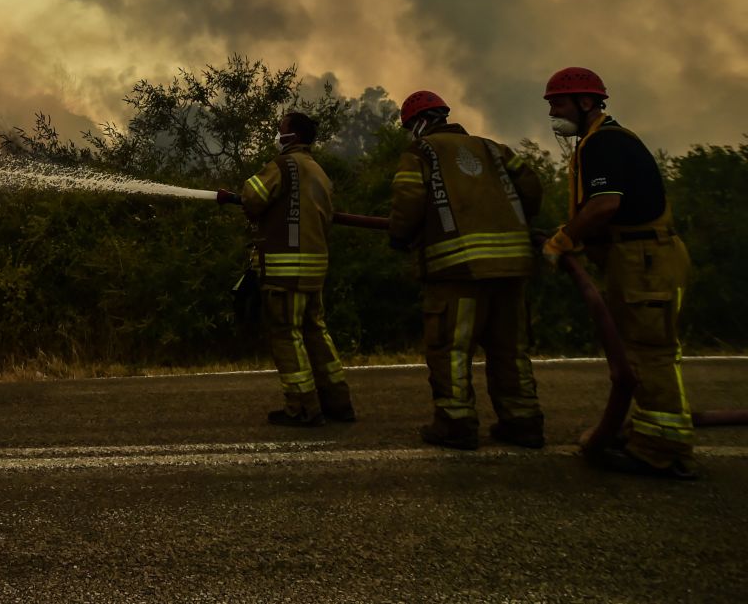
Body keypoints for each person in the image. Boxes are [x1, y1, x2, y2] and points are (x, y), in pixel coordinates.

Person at [541, 67, 697, 479]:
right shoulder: (601, 140)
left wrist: (563, 240)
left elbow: (604, 204)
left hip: (645, 259)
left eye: (559, 102)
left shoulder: (603, 144)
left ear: (586, 102)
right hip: (638, 258)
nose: (553, 111)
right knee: (641, 349)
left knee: (650, 353)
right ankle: (649, 432)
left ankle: (662, 449)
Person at [388, 90, 545, 450]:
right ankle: (524, 422)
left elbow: (408, 199)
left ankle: (456, 423)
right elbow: (532, 187)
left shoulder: (421, 152)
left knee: (451, 348)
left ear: (416, 124)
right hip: (512, 267)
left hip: (458, 270)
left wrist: (400, 236)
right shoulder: (493, 148)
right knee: (511, 349)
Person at [239, 111, 354, 427]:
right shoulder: (318, 171)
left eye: (280, 130)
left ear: (291, 137)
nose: (277, 136)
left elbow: (252, 197)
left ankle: (303, 407)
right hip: (314, 269)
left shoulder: (283, 166)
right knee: (316, 331)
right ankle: (338, 402)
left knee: (286, 335)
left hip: (284, 270)